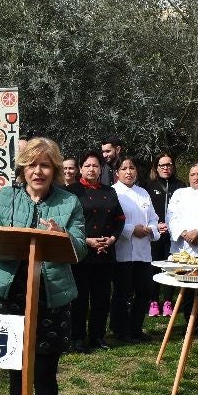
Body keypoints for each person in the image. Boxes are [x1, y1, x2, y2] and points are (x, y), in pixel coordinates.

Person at [0, 136, 86, 395]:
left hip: (50, 299)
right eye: (32, 164)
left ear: (54, 169)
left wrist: (62, 237)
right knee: (16, 373)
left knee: (44, 373)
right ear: (22, 168)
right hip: (11, 296)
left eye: (45, 165)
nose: (38, 171)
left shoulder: (69, 202)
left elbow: (81, 247)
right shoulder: (4, 197)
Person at [67, 151, 124, 352]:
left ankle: (98, 336)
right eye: (88, 166)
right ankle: (78, 338)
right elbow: (66, 224)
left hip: (105, 253)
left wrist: (112, 239)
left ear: (101, 169)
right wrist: (87, 240)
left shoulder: (110, 192)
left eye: (95, 166)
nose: (92, 169)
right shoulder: (71, 192)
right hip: (81, 253)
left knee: (101, 298)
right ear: (81, 169)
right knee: (80, 299)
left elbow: (119, 220)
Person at [111, 157, 161, 342]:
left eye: (132, 168)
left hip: (144, 251)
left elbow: (154, 217)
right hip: (123, 251)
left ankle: (136, 328)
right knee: (122, 292)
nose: (128, 172)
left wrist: (151, 229)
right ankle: (120, 330)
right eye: (124, 168)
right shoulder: (113, 192)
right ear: (117, 172)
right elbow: (113, 221)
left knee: (145, 290)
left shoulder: (143, 193)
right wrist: (132, 229)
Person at [147, 152, 184, 317]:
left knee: (171, 267)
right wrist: (156, 225)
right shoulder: (149, 186)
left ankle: (168, 301)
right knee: (153, 267)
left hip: (173, 234)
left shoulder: (181, 186)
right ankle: (154, 301)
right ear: (156, 168)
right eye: (162, 165)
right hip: (155, 233)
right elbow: (146, 211)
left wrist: (174, 226)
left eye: (169, 164)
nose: (166, 168)